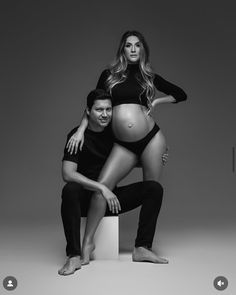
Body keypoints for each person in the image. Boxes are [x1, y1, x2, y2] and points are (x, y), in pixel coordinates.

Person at [66, 31, 187, 264]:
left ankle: (142, 247)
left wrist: (156, 101)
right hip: (124, 145)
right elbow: (92, 105)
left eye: (137, 45)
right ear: (122, 50)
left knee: (152, 189)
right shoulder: (109, 76)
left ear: (143, 49)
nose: (133, 49)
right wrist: (81, 130)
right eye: (128, 46)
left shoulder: (148, 77)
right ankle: (88, 242)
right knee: (102, 188)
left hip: (152, 140)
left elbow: (181, 94)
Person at [59, 89, 168, 276]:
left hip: (111, 201)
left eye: (108, 109)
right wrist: (101, 187)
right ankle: (74, 256)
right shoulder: (77, 136)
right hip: (85, 201)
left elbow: (128, 161)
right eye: (99, 110)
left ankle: (142, 247)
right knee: (70, 189)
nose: (105, 114)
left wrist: (155, 157)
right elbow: (68, 174)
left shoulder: (116, 133)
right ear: (88, 111)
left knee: (154, 189)